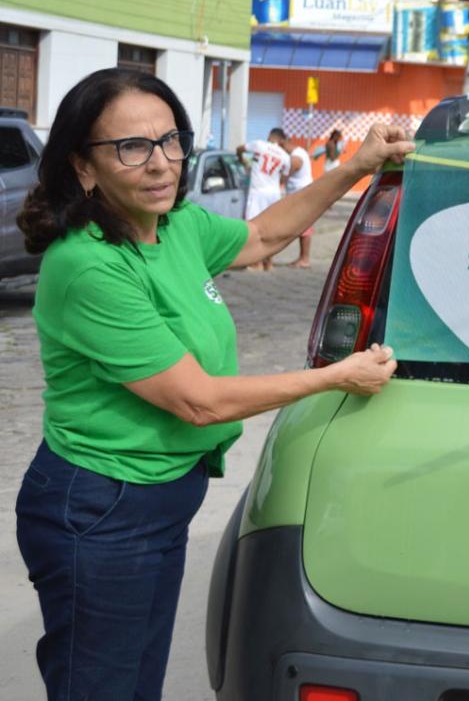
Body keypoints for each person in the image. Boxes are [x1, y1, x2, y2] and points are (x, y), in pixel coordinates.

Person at [12, 68, 408, 701]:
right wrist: (334, 376)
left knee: (137, 681)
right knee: (100, 686)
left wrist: (355, 167)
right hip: (102, 506)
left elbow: (264, 235)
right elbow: (197, 401)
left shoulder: (176, 227)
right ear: (83, 167)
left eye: (170, 140)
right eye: (131, 147)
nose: (160, 163)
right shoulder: (88, 266)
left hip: (163, 492)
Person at [236, 128, 289, 270]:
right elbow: (283, 178)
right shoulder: (285, 156)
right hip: (274, 194)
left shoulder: (259, 145)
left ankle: (256, 263)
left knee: (253, 227)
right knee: (272, 228)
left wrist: (243, 161)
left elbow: (239, 149)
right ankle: (269, 263)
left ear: (270, 136)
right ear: (281, 140)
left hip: (258, 191)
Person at [284, 143, 314, 268]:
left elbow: (293, 167)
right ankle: (303, 258)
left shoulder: (296, 156)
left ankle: (304, 259)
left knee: (304, 227)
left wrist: (281, 178)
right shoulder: (300, 152)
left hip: (302, 196)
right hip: (302, 194)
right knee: (303, 227)